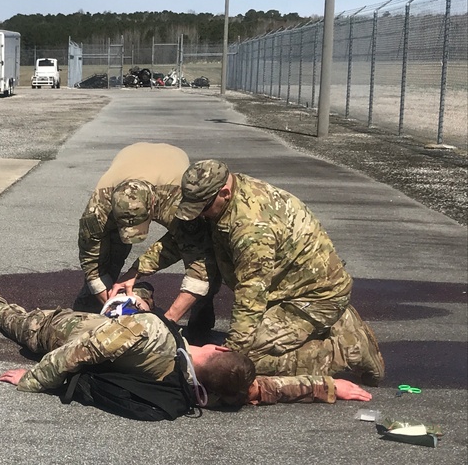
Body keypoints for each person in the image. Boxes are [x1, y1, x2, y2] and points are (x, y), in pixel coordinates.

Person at [112, 159, 384, 387]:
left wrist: (232, 353)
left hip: (310, 298)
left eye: (202, 209)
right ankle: (336, 321)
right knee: (234, 353)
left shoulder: (251, 229)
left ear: (224, 193)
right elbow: (188, 241)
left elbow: (250, 296)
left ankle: (346, 351)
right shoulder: (225, 198)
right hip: (288, 289)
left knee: (242, 363)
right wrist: (138, 269)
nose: (199, 215)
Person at [0, 269, 371, 414]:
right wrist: (325, 386)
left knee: (13, 319)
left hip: (61, 330)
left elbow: (76, 353)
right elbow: (262, 389)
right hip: (115, 327)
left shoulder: (150, 334)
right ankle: (134, 289)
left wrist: (31, 380)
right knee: (140, 297)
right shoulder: (201, 390)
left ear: (221, 349)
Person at [75, 143, 219, 339]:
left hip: (171, 161)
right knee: (107, 262)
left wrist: (168, 321)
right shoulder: (98, 209)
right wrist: (108, 300)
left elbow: (200, 262)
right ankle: (88, 314)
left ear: (152, 203)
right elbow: (91, 259)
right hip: (130, 154)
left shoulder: (175, 202)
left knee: (207, 259)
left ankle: (202, 313)